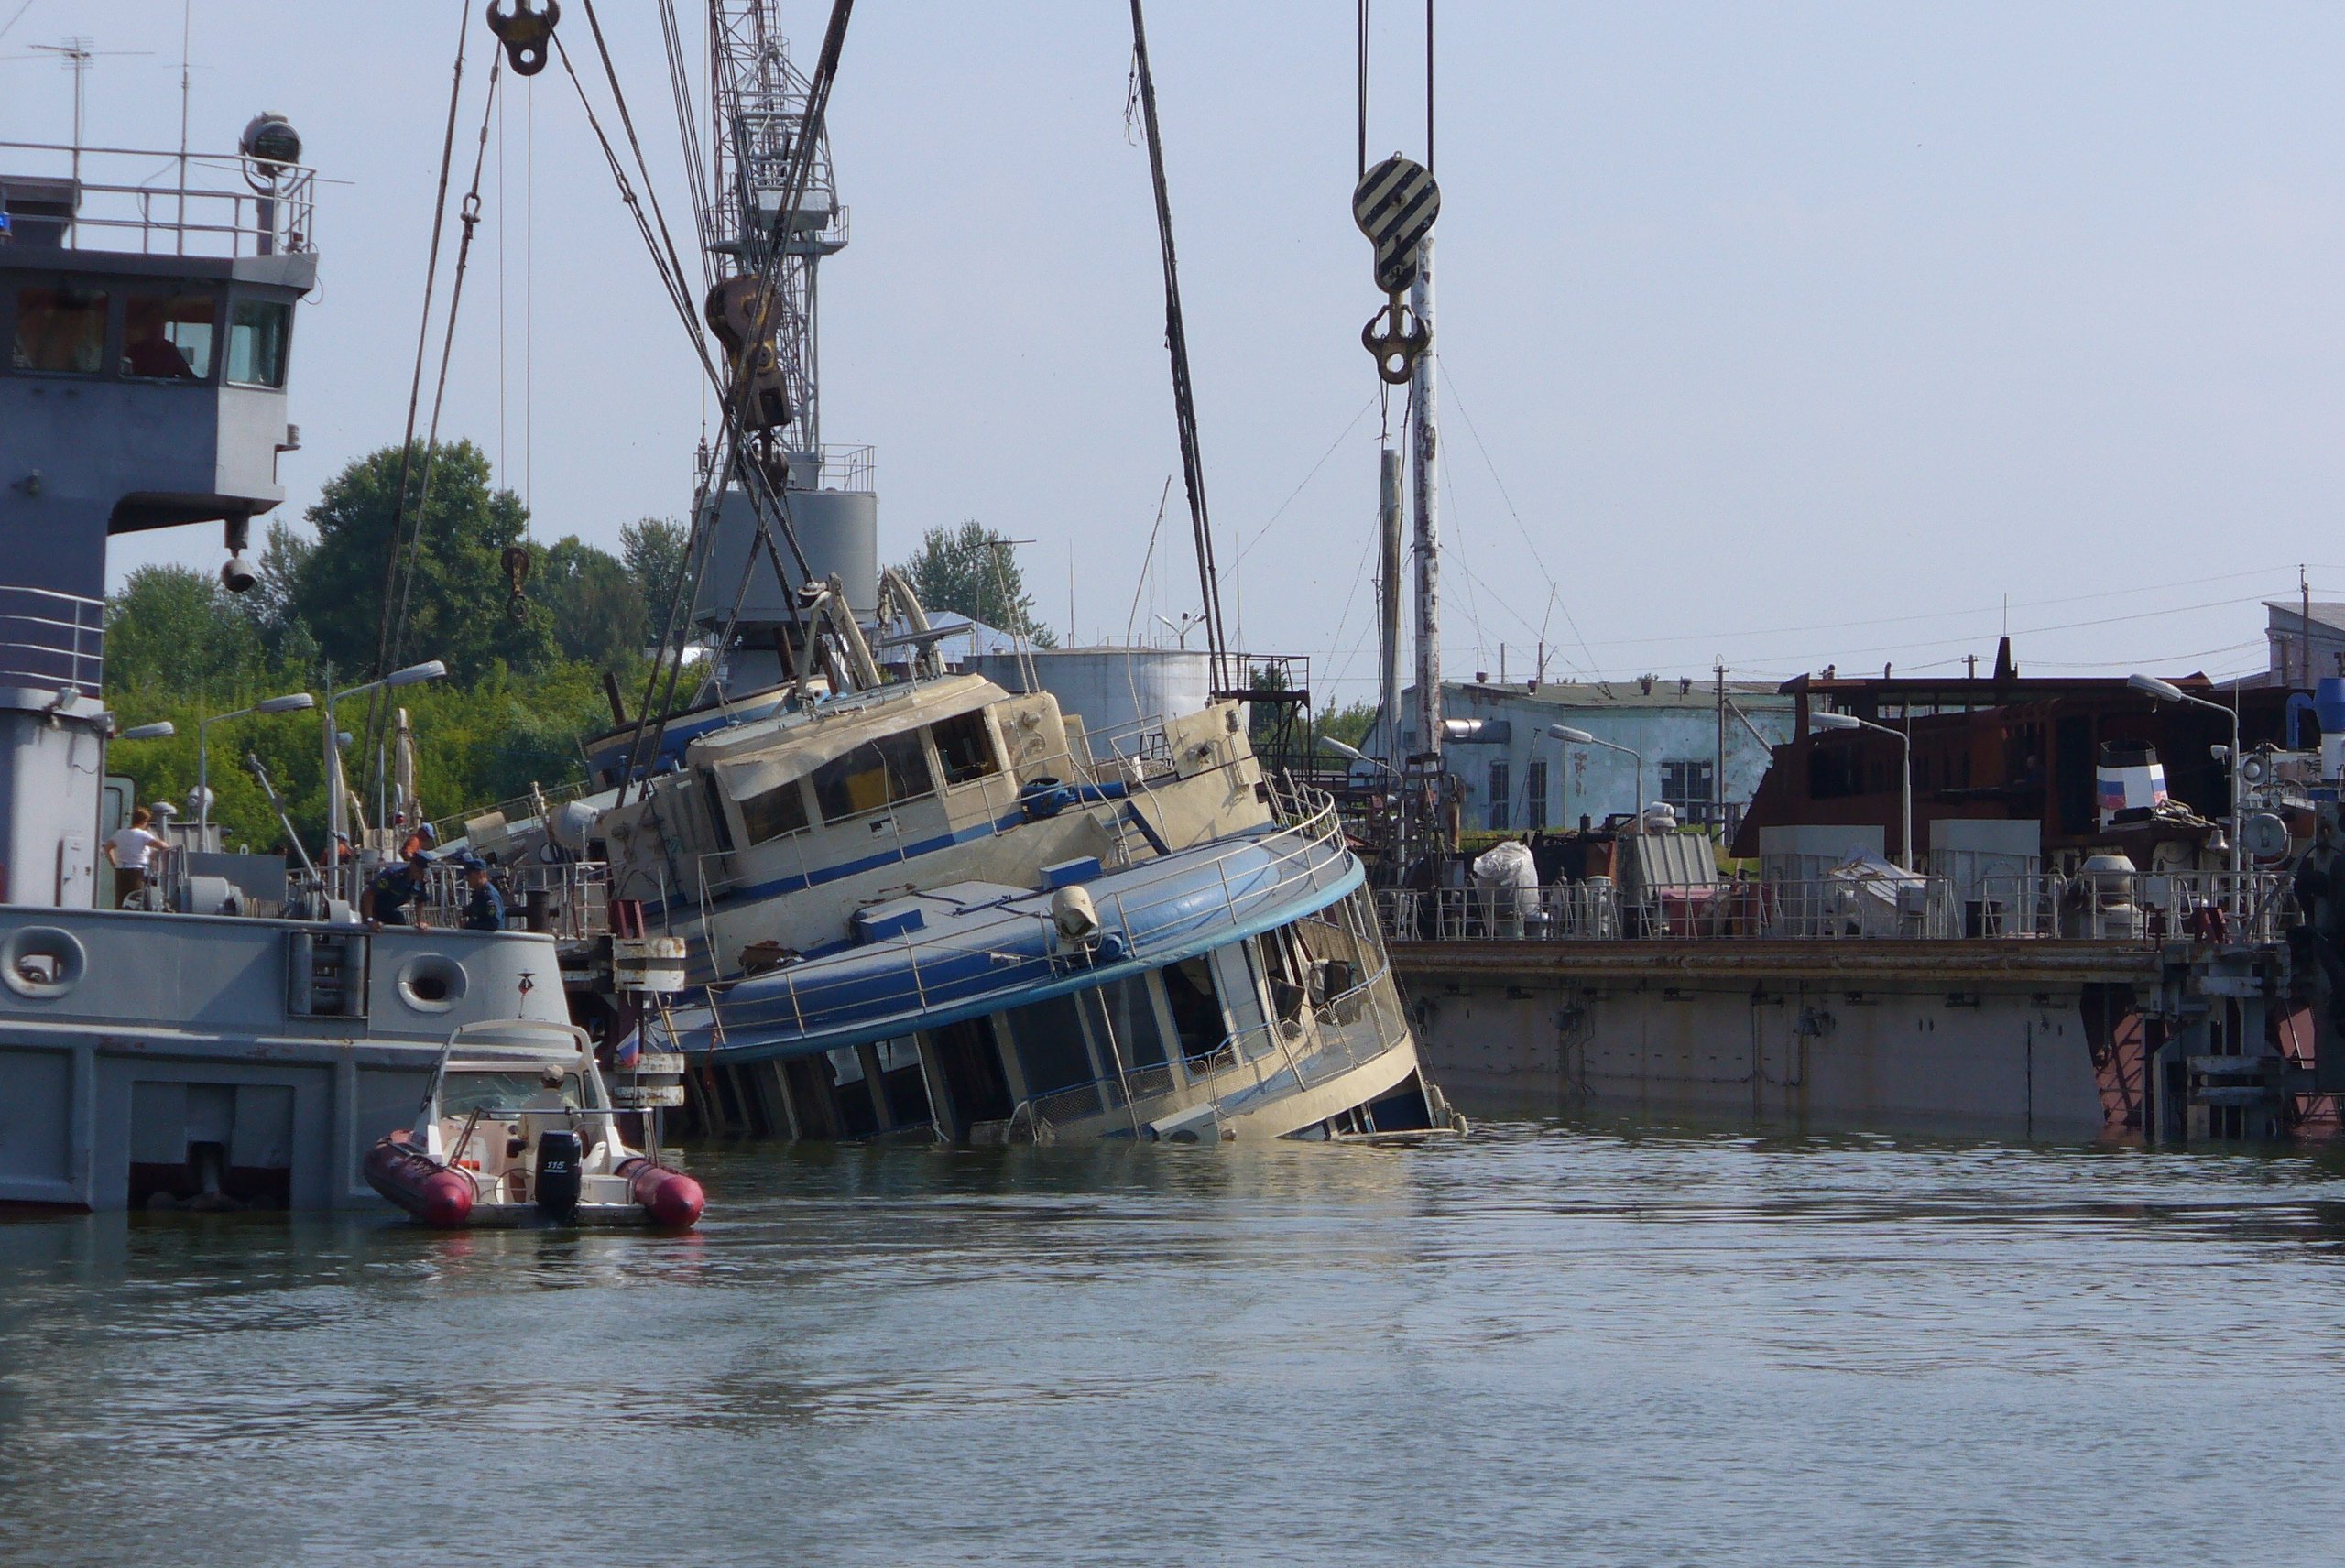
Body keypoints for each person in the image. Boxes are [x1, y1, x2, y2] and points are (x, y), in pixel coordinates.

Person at [104, 806, 170, 909]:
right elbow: (163, 846)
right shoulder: (142, 834)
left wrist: (114, 863)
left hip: (121, 870)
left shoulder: (120, 833)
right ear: (144, 821)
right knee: (135, 900)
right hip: (137, 871)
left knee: (121, 900)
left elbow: (107, 848)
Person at [362, 850, 433, 929]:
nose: (422, 875)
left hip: (389, 910)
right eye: (420, 871)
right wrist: (369, 919)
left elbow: (420, 900)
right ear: (413, 866)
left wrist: (419, 921)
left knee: (400, 925)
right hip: (370, 908)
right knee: (372, 931)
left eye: (424, 872)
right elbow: (369, 894)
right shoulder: (393, 874)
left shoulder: (421, 882)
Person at [458, 857, 506, 932]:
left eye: (470, 876)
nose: (467, 879)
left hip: (491, 942)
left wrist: (469, 926)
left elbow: (494, 924)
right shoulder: (479, 894)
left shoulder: (489, 896)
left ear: (480, 874)